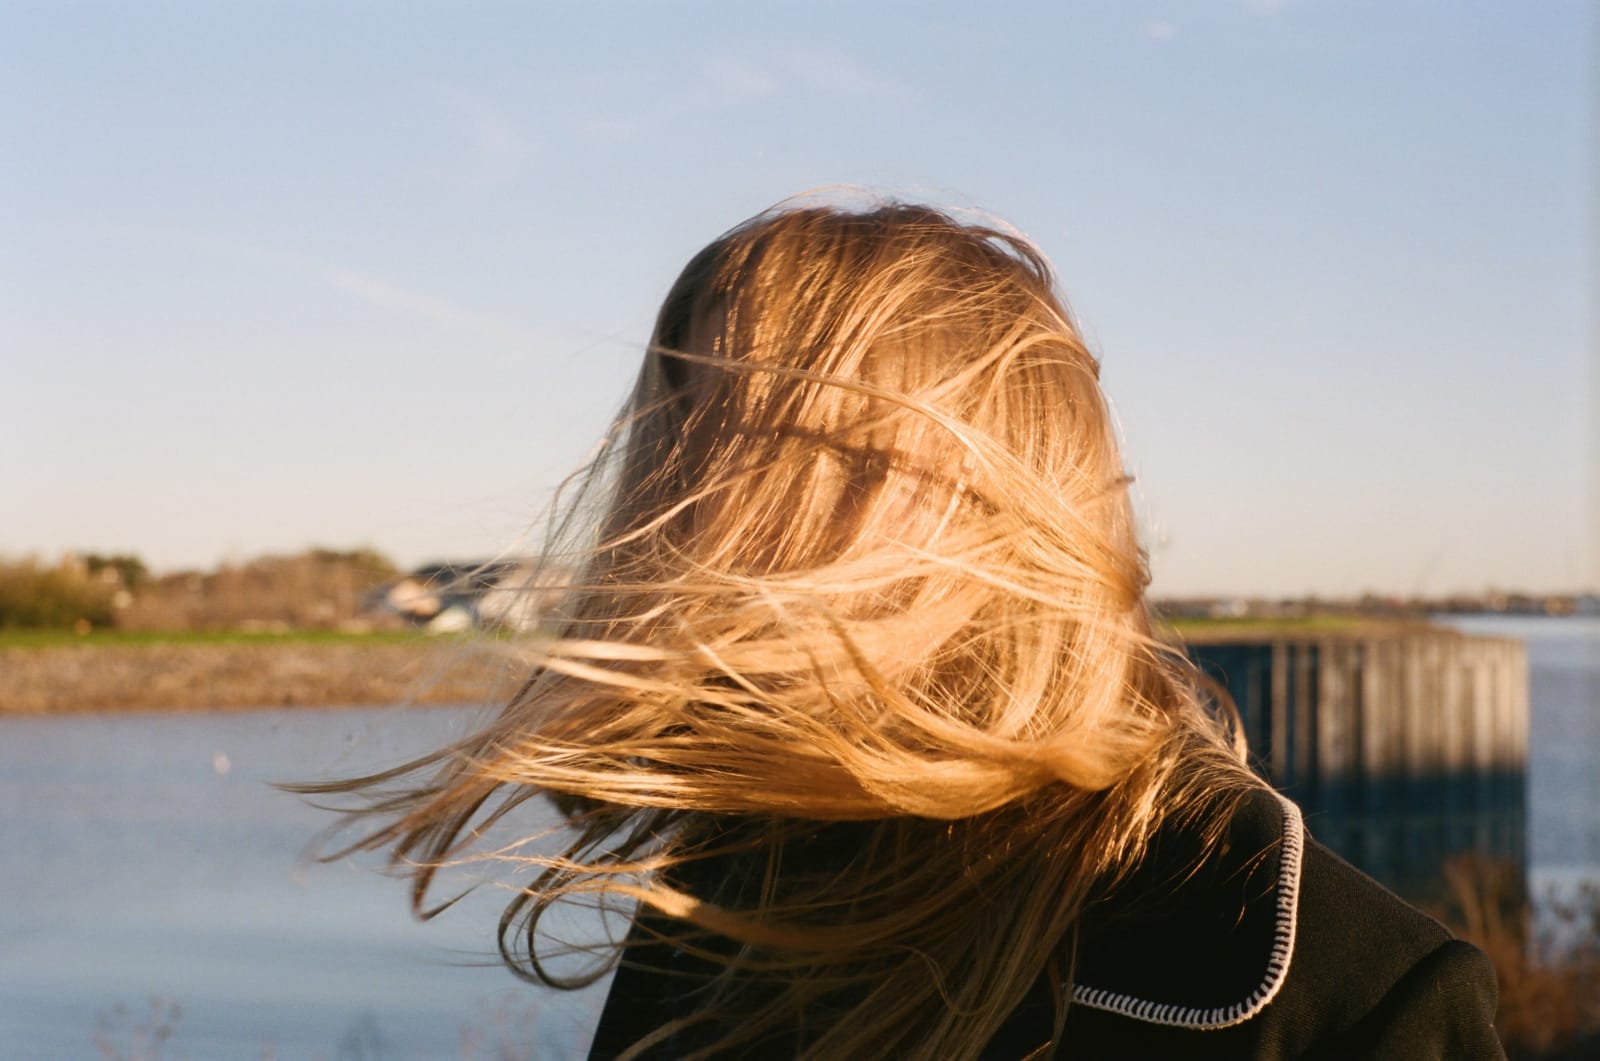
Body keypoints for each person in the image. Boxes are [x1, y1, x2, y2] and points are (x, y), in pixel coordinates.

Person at [308, 199, 1503, 1059]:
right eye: (681, 436)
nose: (685, 512)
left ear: (985, 492)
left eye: (755, 442)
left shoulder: (1334, 984)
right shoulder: (748, 874)